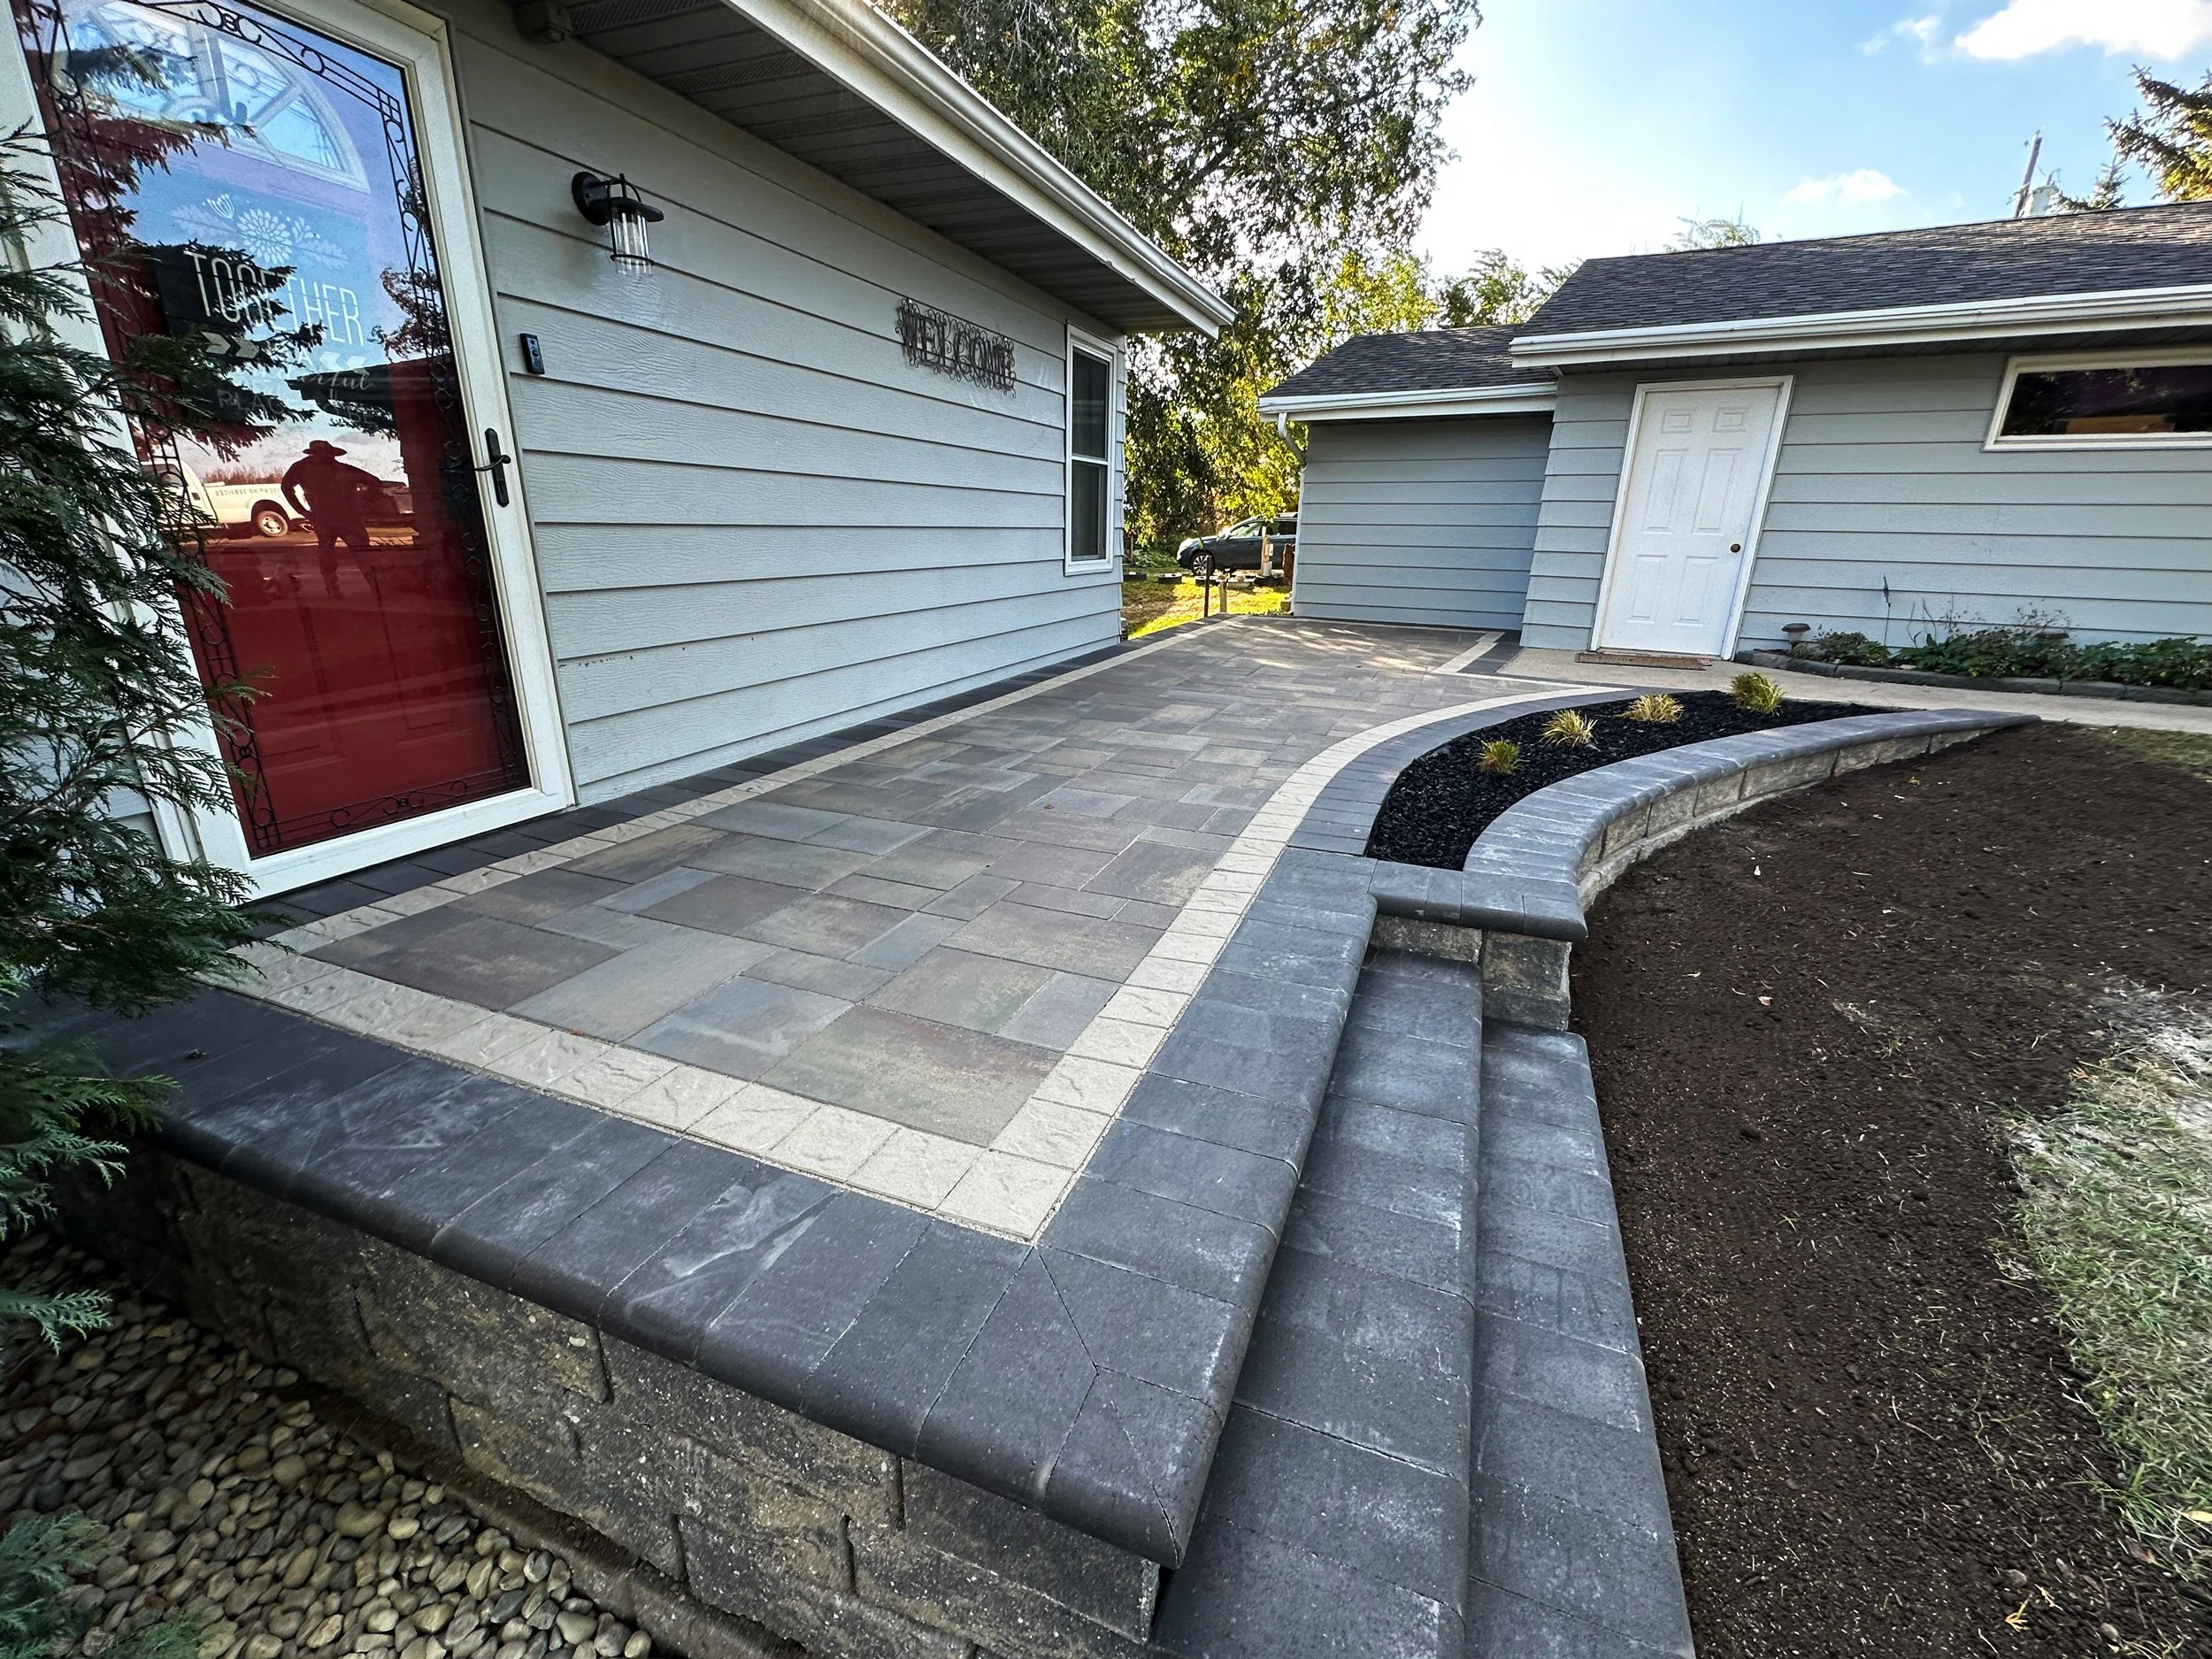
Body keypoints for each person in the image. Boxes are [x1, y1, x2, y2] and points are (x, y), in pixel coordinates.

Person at [281, 439, 380, 597]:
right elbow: (286, 486)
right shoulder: (303, 468)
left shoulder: (342, 470)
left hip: (346, 518)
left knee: (361, 553)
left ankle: (375, 586)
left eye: (325, 454)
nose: (324, 458)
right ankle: (335, 587)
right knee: (331, 554)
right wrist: (303, 511)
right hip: (327, 519)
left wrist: (364, 504)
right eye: (319, 454)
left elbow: (374, 483)